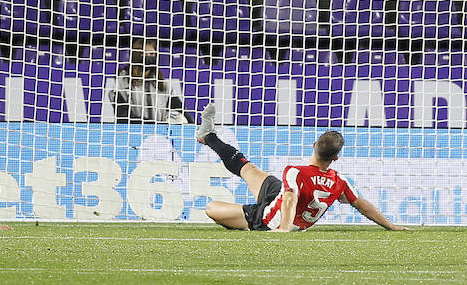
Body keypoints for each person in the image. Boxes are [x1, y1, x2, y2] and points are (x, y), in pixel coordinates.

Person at [196, 105, 407, 232]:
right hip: (277, 197)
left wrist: (284, 228)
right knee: (247, 168)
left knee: (211, 208)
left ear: (314, 145)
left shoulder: (295, 172)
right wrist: (391, 225)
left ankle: (244, 220)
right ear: (335, 158)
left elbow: (290, 199)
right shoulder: (339, 182)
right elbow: (363, 206)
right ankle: (209, 136)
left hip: (267, 219)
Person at [107, 38, 187, 124]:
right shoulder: (121, 81)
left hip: (158, 134)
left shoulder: (162, 84)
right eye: (145, 53)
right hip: (131, 133)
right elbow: (122, 116)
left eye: (152, 54)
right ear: (136, 55)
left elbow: (180, 109)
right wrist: (154, 125)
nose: (149, 56)